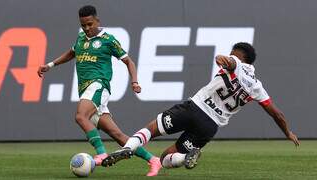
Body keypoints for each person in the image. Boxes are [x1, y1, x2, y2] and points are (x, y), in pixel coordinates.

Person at [102, 42, 300, 170]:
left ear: (239, 55)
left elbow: (228, 61)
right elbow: (277, 114)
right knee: (166, 158)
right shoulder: (257, 87)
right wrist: (288, 133)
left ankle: (129, 148)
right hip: (210, 126)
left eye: (233, 53)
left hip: (194, 108)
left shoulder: (236, 63)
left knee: (152, 129)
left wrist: (223, 59)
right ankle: (186, 155)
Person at [37, 5, 162, 176]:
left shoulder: (108, 40)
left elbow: (129, 62)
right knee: (118, 135)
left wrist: (134, 82)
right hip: (85, 89)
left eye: (90, 24)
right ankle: (154, 160)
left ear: (97, 20)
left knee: (80, 116)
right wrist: (50, 65)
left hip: (98, 85)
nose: (87, 28)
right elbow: (71, 53)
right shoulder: (81, 38)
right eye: (83, 25)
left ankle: (101, 153)